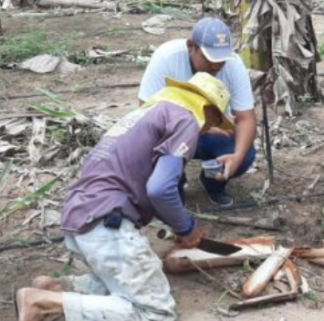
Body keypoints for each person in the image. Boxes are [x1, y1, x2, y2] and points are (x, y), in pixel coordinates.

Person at [15, 73, 235, 321]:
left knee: (124, 284)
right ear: (208, 110)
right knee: (156, 313)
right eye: (212, 121)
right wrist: (186, 229)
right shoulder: (185, 119)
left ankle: (55, 288)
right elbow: (160, 189)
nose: (206, 129)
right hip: (108, 222)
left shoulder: (151, 112)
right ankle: (43, 303)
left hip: (83, 211)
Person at [139, 17, 256, 207]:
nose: (216, 66)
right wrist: (200, 127)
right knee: (151, 142)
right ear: (191, 46)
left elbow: (246, 118)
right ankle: (174, 186)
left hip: (214, 133)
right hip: (171, 133)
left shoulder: (233, 64)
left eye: (221, 61)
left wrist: (238, 157)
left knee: (244, 152)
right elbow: (146, 113)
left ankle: (214, 184)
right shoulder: (166, 58)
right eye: (210, 60)